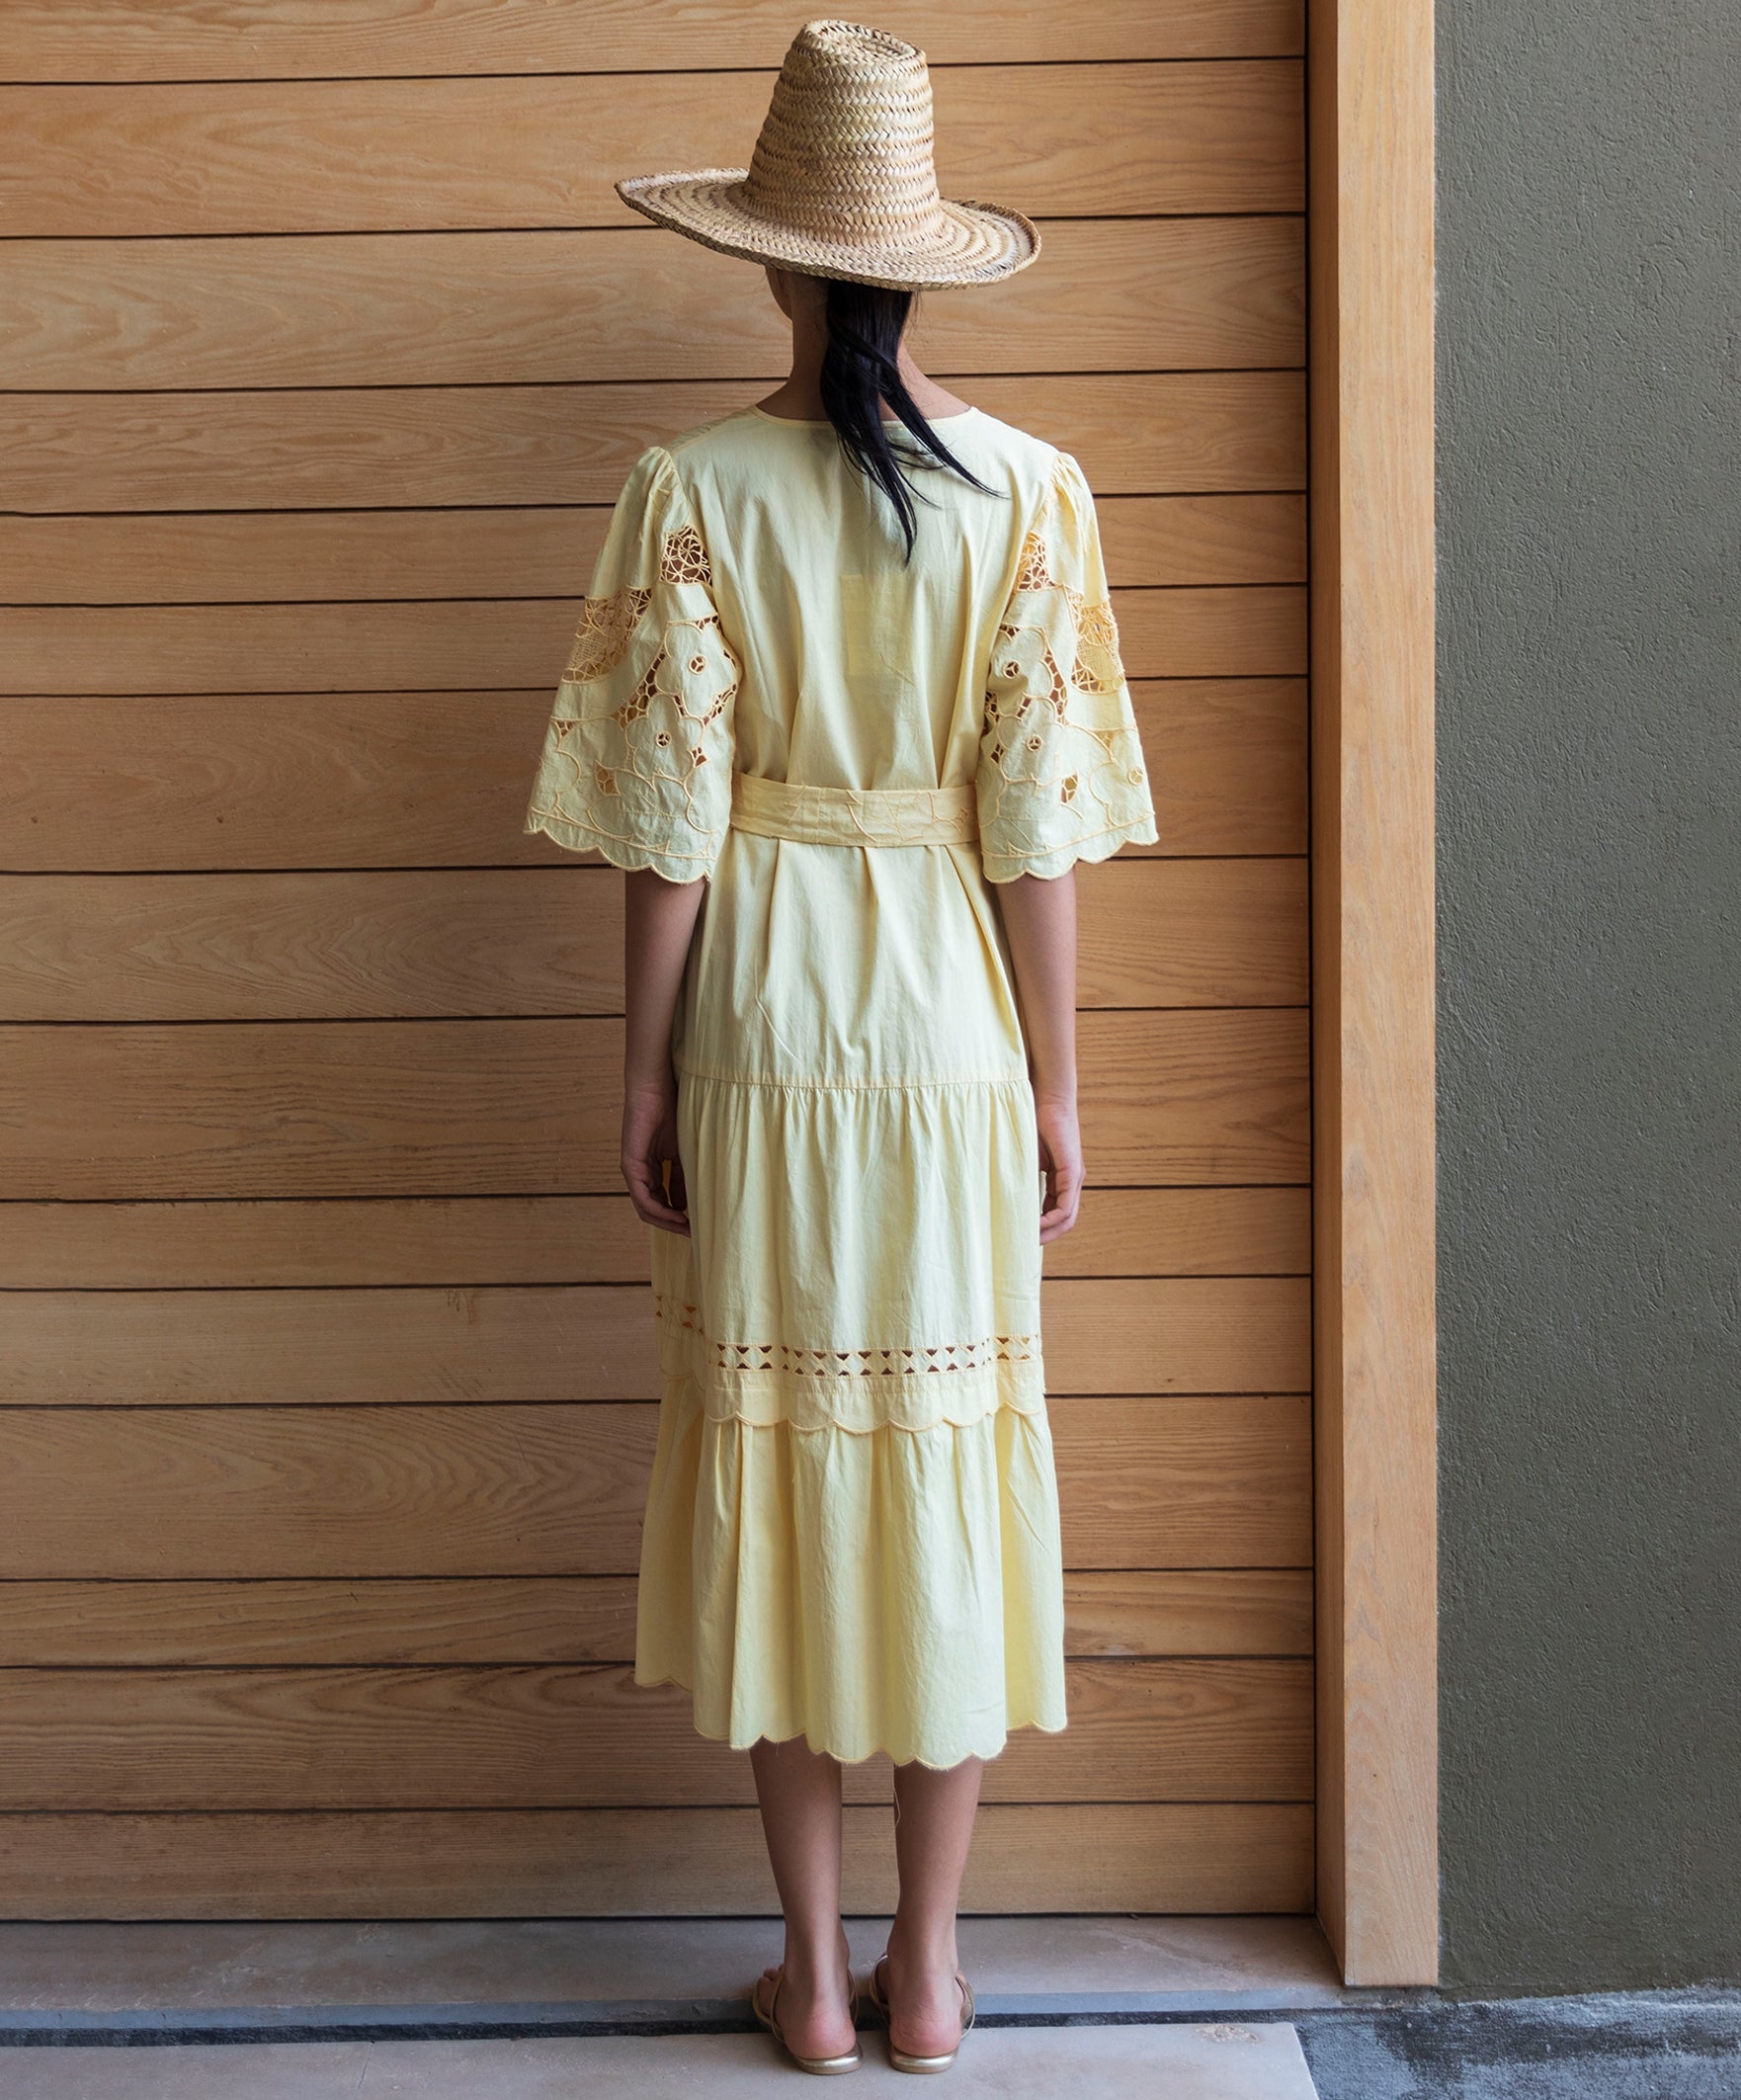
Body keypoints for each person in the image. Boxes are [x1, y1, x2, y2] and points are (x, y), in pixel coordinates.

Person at [523, 20, 1157, 2075]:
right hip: (953, 1029)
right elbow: (1039, 833)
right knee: (945, 1468)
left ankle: (803, 1975)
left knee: (783, 1469)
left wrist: (642, 1074)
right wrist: (1057, 1085)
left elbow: (663, 825)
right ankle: (935, 1971)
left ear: (773, 266)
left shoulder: (685, 490)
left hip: (767, 1022)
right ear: (922, 264)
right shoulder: (1033, 496)